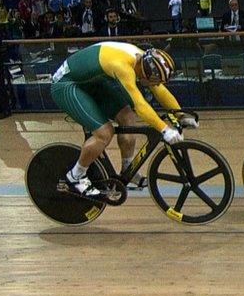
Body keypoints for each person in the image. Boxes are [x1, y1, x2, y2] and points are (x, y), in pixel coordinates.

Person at [50, 42, 198, 198]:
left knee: (127, 117)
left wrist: (180, 115)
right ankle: (75, 176)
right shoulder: (122, 67)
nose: (151, 85)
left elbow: (159, 89)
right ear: (145, 71)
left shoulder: (145, 59)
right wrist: (164, 129)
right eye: (151, 80)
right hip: (67, 85)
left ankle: (128, 169)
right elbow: (139, 105)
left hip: (91, 82)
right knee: (104, 133)